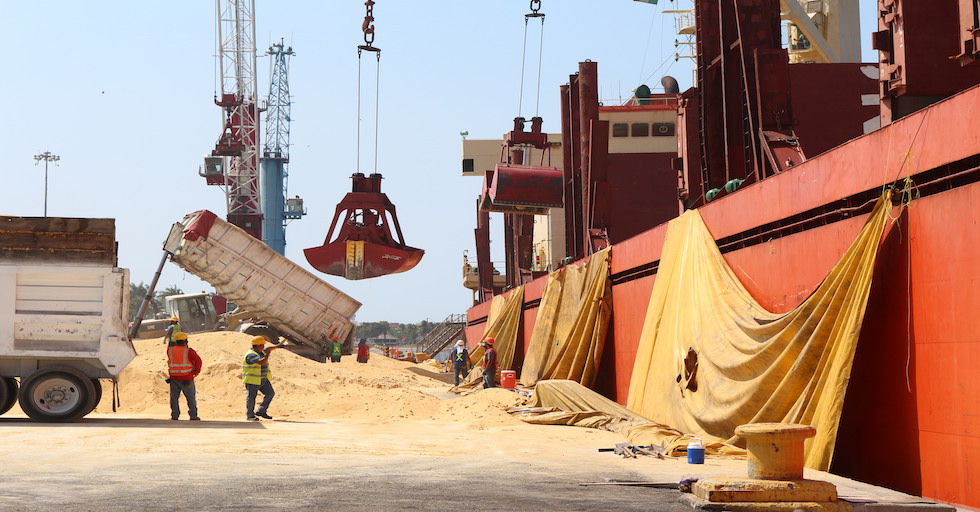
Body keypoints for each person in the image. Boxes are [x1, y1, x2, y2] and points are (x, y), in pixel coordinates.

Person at [242, 336, 280, 421]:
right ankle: (250, 415)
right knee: (251, 397)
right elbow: (262, 362)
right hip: (252, 380)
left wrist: (278, 346)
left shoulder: (259, 351)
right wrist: (268, 354)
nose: (264, 347)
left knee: (270, 393)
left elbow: (268, 349)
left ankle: (261, 411)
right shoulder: (251, 355)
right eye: (262, 345)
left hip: (262, 379)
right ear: (259, 346)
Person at [167, 332, 202, 421]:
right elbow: (198, 361)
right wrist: (196, 372)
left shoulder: (170, 351)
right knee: (190, 398)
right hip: (187, 378)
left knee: (174, 398)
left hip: (174, 378)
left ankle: (175, 415)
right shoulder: (189, 351)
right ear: (186, 341)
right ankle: (193, 415)